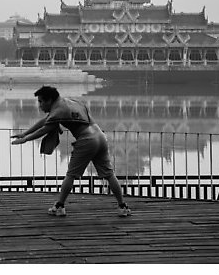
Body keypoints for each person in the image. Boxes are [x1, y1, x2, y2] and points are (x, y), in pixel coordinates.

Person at [11, 85, 131, 217]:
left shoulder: (58, 111)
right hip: (100, 136)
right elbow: (44, 121)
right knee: (108, 174)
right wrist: (25, 133)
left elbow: (44, 129)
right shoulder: (69, 103)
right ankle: (122, 206)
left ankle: (60, 206)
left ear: (49, 100)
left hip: (87, 140)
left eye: (40, 101)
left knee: (71, 174)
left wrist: (26, 139)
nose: (39, 105)